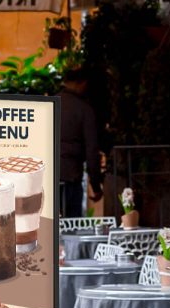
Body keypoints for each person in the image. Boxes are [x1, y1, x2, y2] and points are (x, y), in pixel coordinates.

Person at [58, 66, 103, 218]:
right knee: (71, 227)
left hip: (47, 178)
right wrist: (96, 185)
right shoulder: (84, 109)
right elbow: (92, 150)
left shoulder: (49, 104)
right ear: (82, 83)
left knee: (46, 228)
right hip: (71, 176)